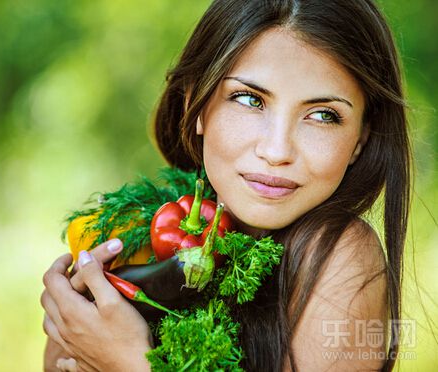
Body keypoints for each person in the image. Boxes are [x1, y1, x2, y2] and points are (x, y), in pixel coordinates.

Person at [40, 0, 411, 370]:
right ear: (195, 106)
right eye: (250, 99)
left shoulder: (341, 254)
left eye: (322, 115)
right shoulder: (154, 229)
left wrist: (130, 362)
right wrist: (74, 323)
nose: (277, 150)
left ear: (361, 138)